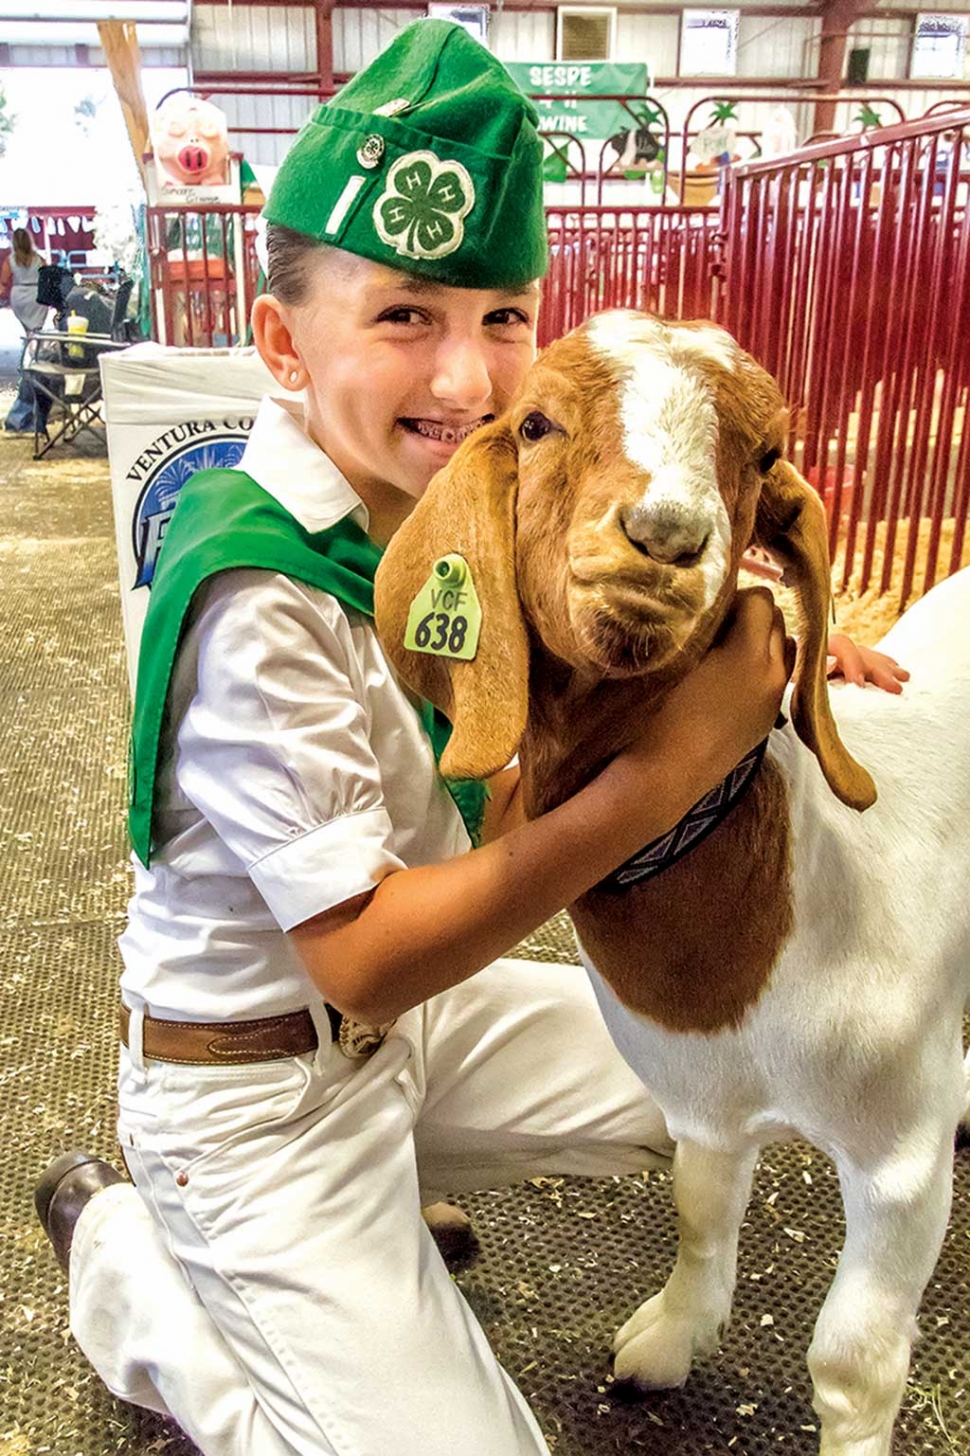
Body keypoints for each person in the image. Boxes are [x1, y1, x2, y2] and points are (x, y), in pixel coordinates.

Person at [34, 21, 906, 1456]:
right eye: (403, 319)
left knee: (725, 1063)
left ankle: (321, 1273)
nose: (466, 377)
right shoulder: (255, 584)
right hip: (253, 1092)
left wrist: (752, 618)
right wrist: (668, 772)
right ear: (279, 342)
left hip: (407, 1039)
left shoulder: (467, 500)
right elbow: (366, 948)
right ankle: (142, 1278)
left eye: (502, 318)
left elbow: (592, 637)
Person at [0, 226, 48, 333]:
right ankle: (34, 341)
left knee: (27, 328)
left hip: (19, 295)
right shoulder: (39, 259)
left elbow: (3, 282)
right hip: (37, 295)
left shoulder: (10, 260)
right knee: (36, 329)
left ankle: (29, 339)